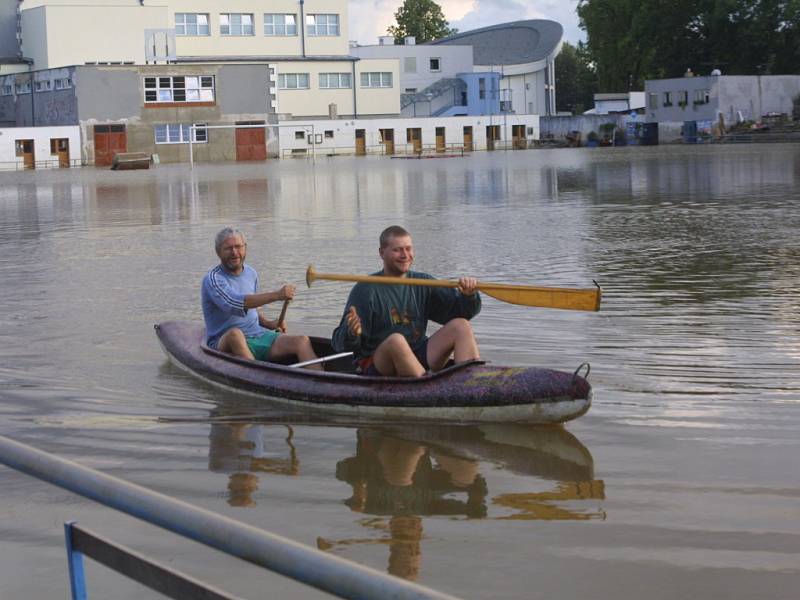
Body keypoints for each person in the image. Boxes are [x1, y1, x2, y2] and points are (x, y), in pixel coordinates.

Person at [331, 225, 481, 377]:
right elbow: (339, 344)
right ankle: (426, 387)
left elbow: (461, 313)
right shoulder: (365, 290)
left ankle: (471, 381)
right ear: (382, 253)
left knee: (462, 326)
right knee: (396, 340)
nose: (405, 255)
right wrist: (352, 333)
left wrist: (469, 296)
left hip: (417, 353)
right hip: (378, 364)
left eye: (408, 249)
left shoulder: (423, 282)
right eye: (397, 250)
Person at [201, 227, 320, 367]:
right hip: (224, 341)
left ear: (245, 248)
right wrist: (277, 295)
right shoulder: (213, 279)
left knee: (302, 341)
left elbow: (252, 308)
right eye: (228, 248)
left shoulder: (251, 273)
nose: (234, 252)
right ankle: (259, 375)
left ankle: (323, 382)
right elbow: (237, 303)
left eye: (238, 247)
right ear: (218, 252)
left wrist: (269, 324)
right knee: (235, 334)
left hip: (257, 335)